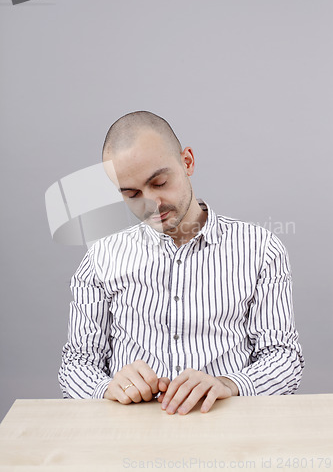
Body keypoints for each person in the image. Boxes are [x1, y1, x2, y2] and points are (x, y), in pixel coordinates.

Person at [58, 111, 304, 415]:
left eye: (160, 182)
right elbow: (76, 366)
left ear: (187, 162)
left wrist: (228, 384)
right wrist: (105, 387)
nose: (152, 204)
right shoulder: (100, 259)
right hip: (129, 438)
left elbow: (283, 359)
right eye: (132, 194)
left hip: (228, 433)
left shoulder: (261, 249)